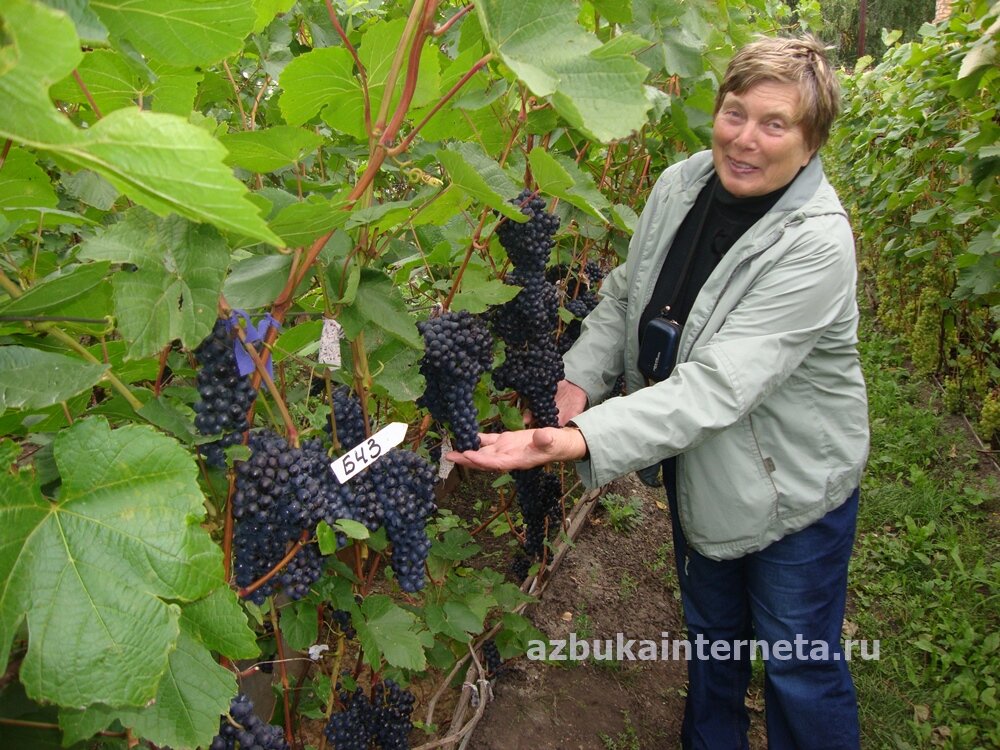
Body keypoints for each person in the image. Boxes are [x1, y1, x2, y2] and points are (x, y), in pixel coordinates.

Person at [448, 34, 869, 750]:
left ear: (811, 140)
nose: (744, 138)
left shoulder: (816, 243)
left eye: (775, 124)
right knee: (712, 640)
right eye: (735, 112)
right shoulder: (681, 184)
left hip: (792, 486)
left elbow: (717, 387)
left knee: (798, 665)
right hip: (704, 470)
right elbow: (620, 301)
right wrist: (576, 384)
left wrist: (585, 439)